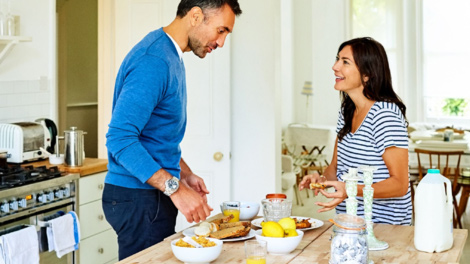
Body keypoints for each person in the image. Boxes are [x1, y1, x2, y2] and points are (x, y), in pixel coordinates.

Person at [102, 0, 242, 260]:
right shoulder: (154, 61)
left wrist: (184, 174)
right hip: (138, 198)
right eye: (221, 31)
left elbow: (154, 137)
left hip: (149, 196)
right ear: (196, 16)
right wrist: (176, 188)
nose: (221, 42)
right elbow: (120, 138)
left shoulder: (169, 54)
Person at [299, 37, 412, 225]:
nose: (335, 67)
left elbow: (399, 184)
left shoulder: (385, 114)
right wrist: (321, 178)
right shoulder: (347, 111)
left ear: (367, 74)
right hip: (349, 226)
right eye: (337, 59)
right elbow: (336, 167)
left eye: (345, 62)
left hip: (384, 229)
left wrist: (351, 190)